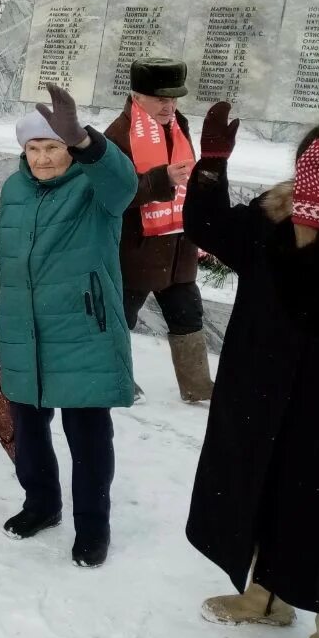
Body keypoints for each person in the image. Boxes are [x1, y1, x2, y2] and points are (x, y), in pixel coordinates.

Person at [182, 104, 319, 638]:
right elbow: (209, 228)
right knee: (262, 488)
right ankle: (268, 598)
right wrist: (213, 166)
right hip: (261, 389)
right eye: (316, 162)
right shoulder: (272, 214)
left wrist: (314, 235)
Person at [0, 85, 137, 569]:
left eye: (52, 146)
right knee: (29, 431)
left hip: (83, 327)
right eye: (33, 148)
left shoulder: (95, 188)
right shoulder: (14, 188)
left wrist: (85, 143)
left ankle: (93, 527)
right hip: (22, 325)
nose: (42, 158)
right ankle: (42, 505)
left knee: (88, 436)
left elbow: (124, 182)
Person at [104, 58, 212, 404]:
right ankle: (114, 379)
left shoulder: (179, 127)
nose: (170, 106)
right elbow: (110, 194)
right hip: (136, 251)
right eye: (161, 99)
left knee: (188, 314)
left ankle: (197, 385)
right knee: (120, 320)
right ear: (137, 96)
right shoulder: (118, 135)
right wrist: (160, 179)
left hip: (179, 248)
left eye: (174, 99)